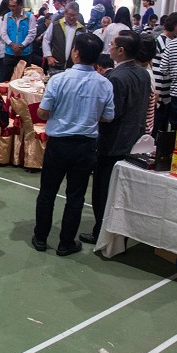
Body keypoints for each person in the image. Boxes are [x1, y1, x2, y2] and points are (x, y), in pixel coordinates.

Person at [31, 33, 115, 258]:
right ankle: (65, 243)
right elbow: (108, 117)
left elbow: (43, 112)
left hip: (58, 144)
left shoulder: (58, 80)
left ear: (75, 52)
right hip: (85, 146)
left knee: (47, 192)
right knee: (76, 196)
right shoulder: (104, 84)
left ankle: (40, 237)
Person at [80, 31, 150, 245]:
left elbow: (111, 113)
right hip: (135, 138)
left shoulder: (116, 77)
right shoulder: (143, 73)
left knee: (103, 189)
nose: (108, 48)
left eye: (112, 45)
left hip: (113, 141)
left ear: (121, 50)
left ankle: (100, 230)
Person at [41, 1, 82, 74]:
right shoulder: (55, 25)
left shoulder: (81, 29)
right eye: (70, 15)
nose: (72, 17)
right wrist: (49, 56)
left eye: (74, 15)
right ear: (65, 13)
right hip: (56, 65)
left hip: (73, 68)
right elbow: (46, 40)